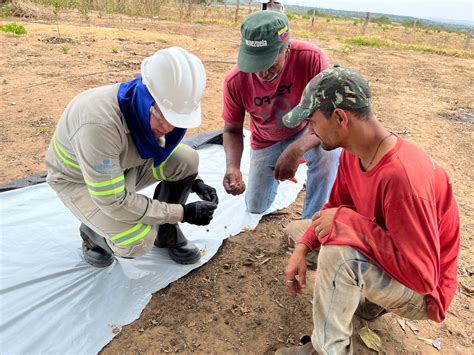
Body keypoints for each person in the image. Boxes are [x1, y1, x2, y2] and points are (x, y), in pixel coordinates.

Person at [278, 65, 460, 354]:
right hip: (392, 254)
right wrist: (304, 247)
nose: (310, 130)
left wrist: (348, 223)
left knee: (339, 256)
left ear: (340, 117)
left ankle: (327, 349)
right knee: (299, 232)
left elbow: (422, 276)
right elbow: (334, 207)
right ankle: (371, 300)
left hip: (423, 293)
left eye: (313, 121)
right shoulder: (354, 151)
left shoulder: (404, 179)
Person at [45, 47, 218, 268]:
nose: (170, 127)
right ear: (147, 96)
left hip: (121, 168)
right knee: (137, 241)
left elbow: (162, 149)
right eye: (164, 117)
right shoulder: (99, 126)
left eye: (177, 118)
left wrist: (195, 182)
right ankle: (92, 233)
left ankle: (166, 233)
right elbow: (114, 201)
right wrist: (182, 213)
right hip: (80, 183)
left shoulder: (141, 105)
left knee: (188, 160)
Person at [222, 11, 340, 219]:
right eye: (254, 64)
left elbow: (327, 117)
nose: (261, 72)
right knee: (255, 207)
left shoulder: (311, 59)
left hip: (306, 130)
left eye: (268, 63)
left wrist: (296, 149)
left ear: (286, 48)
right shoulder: (235, 80)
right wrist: (233, 167)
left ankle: (311, 222)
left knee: (329, 155)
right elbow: (232, 129)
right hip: (265, 140)